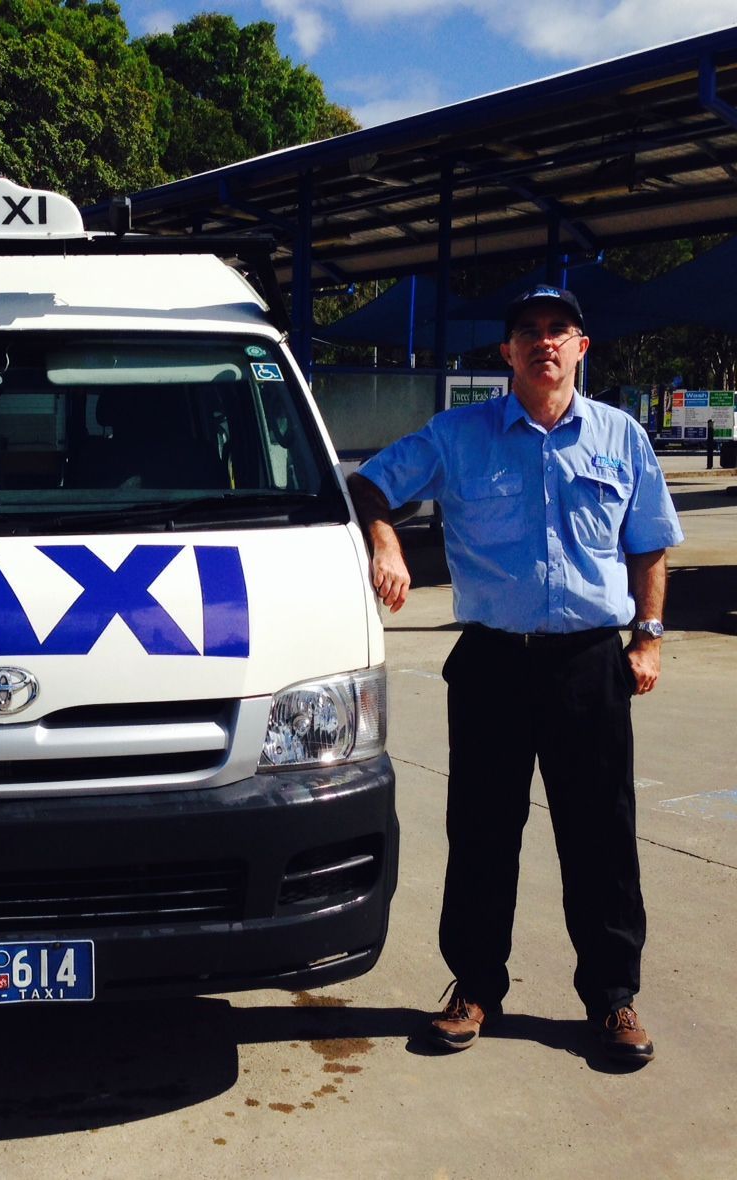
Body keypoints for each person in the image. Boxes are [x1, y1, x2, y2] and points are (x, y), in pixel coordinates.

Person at [347, 285, 684, 1066]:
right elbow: (367, 485)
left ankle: (612, 1000)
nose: (543, 342)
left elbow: (650, 544)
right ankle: (474, 991)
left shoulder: (620, 436)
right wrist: (385, 541)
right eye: (527, 331)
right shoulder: (458, 435)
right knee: (482, 833)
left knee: (601, 837)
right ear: (505, 352)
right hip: (494, 662)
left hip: (589, 663)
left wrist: (651, 637)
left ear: (581, 346)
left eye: (558, 329)